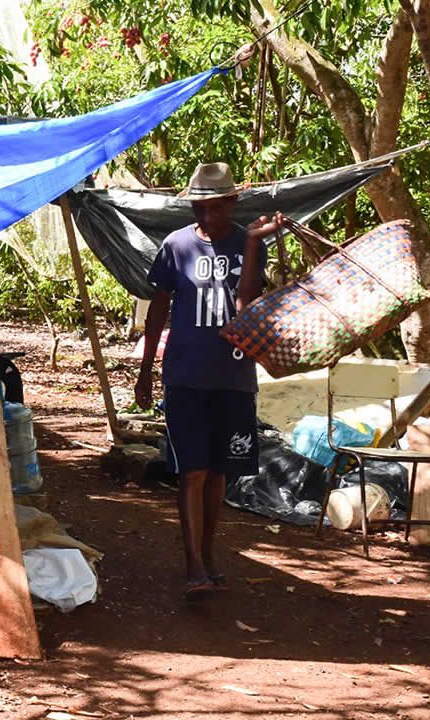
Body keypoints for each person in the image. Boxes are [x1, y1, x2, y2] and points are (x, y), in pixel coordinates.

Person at [134, 162, 283, 596]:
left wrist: (254, 244)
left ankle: (211, 553)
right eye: (199, 208)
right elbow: (158, 311)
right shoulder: (176, 245)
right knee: (191, 472)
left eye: (215, 208)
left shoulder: (246, 243)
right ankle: (193, 562)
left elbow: (246, 307)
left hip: (234, 377)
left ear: (232, 203)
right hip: (185, 375)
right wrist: (146, 373)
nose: (206, 217)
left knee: (220, 473)